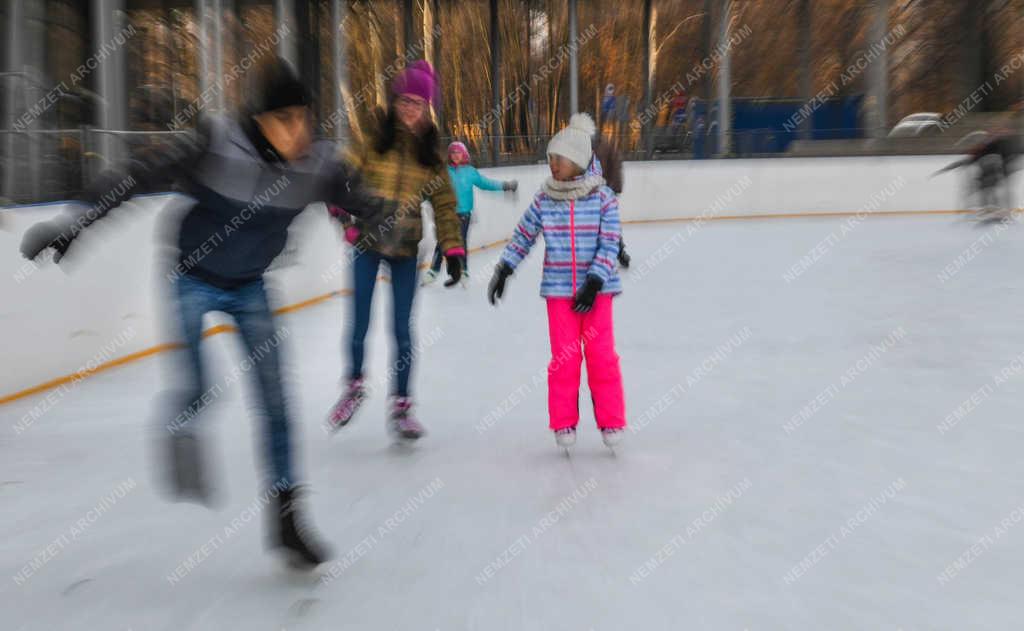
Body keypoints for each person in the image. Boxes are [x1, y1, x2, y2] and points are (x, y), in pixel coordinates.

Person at [18, 57, 384, 569]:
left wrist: (382, 219)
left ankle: (285, 519)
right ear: (258, 120)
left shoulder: (318, 163)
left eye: (303, 117)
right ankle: (180, 425)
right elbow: (135, 176)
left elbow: (358, 199)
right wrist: (76, 221)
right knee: (197, 389)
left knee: (276, 401)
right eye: (284, 119)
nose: (297, 130)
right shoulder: (212, 145)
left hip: (250, 286)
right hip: (191, 278)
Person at [326, 60, 464, 440]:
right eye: (403, 101)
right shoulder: (373, 140)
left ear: (426, 109)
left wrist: (453, 250)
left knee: (402, 329)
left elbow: (445, 206)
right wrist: (345, 218)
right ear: (394, 102)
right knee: (358, 323)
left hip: (405, 249)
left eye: (417, 103)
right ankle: (353, 387)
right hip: (367, 244)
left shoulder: (431, 156)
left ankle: (402, 405)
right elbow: (339, 176)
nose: (409, 109)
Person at [487, 113, 627, 449]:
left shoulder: (603, 198)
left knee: (601, 355)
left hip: (599, 292)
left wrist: (594, 281)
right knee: (564, 358)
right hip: (559, 292)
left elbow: (610, 241)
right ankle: (564, 422)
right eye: (550, 158)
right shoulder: (544, 198)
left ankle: (611, 420)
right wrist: (505, 268)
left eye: (558, 158)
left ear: (578, 161)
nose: (552, 164)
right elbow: (524, 235)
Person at [423, 141, 517, 286]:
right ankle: (433, 271)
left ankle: (463, 270)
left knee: (461, 242)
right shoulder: (443, 171)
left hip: (463, 214)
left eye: (458, 152)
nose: (455, 155)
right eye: (453, 152)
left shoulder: (470, 172)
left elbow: (486, 184)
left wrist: (504, 186)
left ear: (464, 154)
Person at [592, 136, 630, 268]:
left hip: (605, 191)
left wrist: (615, 187)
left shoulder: (606, 147)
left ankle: (619, 250)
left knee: (608, 222)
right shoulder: (585, 149)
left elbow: (616, 165)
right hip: (592, 192)